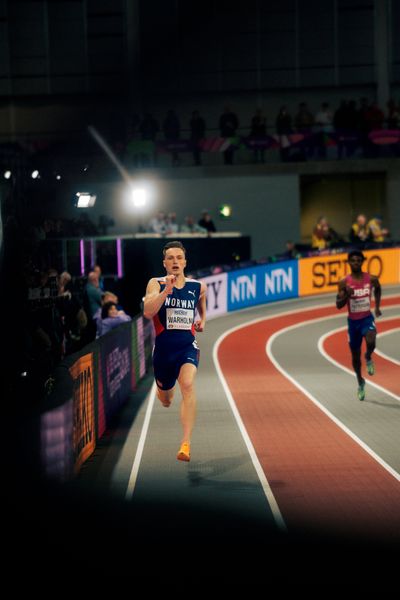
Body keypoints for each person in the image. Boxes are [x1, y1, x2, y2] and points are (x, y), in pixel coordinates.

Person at [143, 241, 207, 462]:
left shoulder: (197, 286)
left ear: (185, 261)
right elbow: (148, 312)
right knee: (167, 399)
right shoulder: (155, 283)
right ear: (164, 263)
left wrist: (203, 319)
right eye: (170, 258)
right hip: (163, 352)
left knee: (188, 385)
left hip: (187, 346)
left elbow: (202, 298)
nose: (175, 261)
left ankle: (186, 443)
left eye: (179, 257)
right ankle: (163, 391)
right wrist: (167, 291)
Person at [336, 250, 382, 401]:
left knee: (371, 340)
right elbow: (338, 305)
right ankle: (360, 381)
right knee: (355, 358)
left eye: (358, 260)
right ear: (349, 262)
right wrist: (347, 295)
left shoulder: (371, 279)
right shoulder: (344, 282)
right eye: (353, 260)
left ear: (362, 262)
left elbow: (378, 288)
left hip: (366, 319)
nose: (356, 263)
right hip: (353, 323)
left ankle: (368, 356)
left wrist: (377, 306)